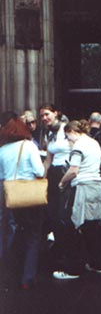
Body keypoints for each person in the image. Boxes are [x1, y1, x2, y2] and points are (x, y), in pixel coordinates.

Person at [52, 120, 101, 280]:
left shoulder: (78, 146)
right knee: (92, 227)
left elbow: (74, 170)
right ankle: (98, 264)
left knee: (72, 227)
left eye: (68, 137)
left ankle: (73, 269)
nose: (68, 142)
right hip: (95, 188)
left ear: (73, 132)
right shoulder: (94, 143)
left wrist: (62, 182)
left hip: (81, 188)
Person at [0, 117, 44, 289]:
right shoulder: (29, 146)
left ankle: (9, 275)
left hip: (10, 195)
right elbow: (39, 171)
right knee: (33, 236)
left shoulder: (2, 150)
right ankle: (28, 277)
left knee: (13, 233)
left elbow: (1, 176)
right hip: (29, 194)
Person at [39, 103, 71, 260]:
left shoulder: (66, 130)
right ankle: (59, 246)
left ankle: (67, 249)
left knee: (63, 213)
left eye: (47, 114)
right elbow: (48, 160)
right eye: (42, 116)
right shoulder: (48, 133)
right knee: (53, 213)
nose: (44, 118)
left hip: (66, 173)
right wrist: (42, 178)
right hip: (54, 174)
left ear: (56, 113)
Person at [0, 111, 18, 261]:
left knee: (8, 219)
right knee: (11, 220)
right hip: (10, 181)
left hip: (4, 180)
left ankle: (6, 252)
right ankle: (9, 253)